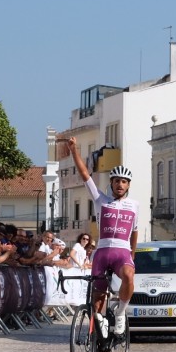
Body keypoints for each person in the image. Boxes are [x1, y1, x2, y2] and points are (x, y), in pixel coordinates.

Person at [67, 136, 137, 337]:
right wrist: (74, 150)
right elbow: (84, 174)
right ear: (111, 183)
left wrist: (133, 256)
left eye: (123, 182)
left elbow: (135, 232)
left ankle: (121, 313)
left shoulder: (134, 206)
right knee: (97, 300)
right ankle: (95, 341)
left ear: (128, 185)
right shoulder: (100, 200)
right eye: (116, 181)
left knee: (129, 277)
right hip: (102, 252)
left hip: (122, 252)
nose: (120, 185)